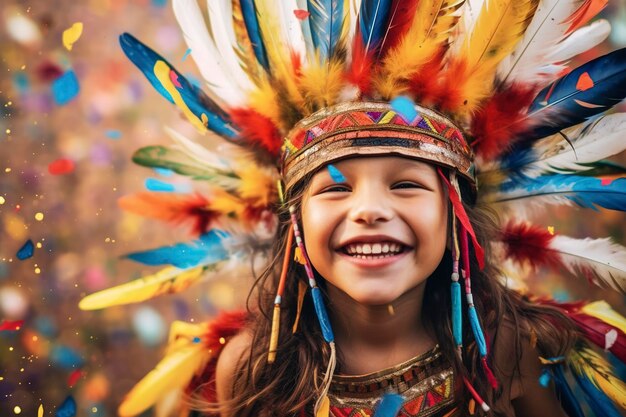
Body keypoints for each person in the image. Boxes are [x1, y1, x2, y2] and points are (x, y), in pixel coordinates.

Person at [79, 1, 626, 417]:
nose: (369, 210)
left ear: (455, 216)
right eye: (335, 188)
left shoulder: (514, 347)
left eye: (407, 186)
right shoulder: (252, 370)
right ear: (294, 223)